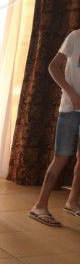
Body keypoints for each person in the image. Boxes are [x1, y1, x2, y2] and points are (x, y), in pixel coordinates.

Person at [29, 29, 80, 227]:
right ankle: (39, 206)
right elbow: (53, 66)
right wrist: (71, 92)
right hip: (70, 108)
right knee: (62, 157)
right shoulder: (75, 37)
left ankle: (72, 203)